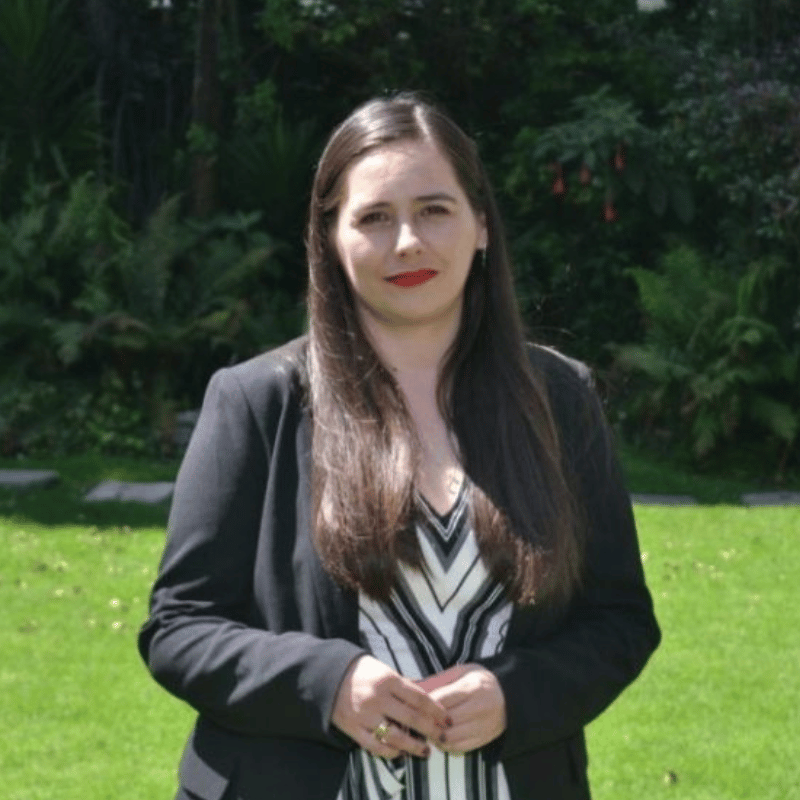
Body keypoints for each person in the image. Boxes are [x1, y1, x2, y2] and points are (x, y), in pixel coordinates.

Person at [138, 92, 660, 800]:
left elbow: (620, 621)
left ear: (481, 225)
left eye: (434, 210)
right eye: (374, 218)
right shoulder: (257, 401)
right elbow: (179, 627)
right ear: (330, 238)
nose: (408, 242)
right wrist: (328, 684)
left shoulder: (560, 399)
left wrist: (516, 694)